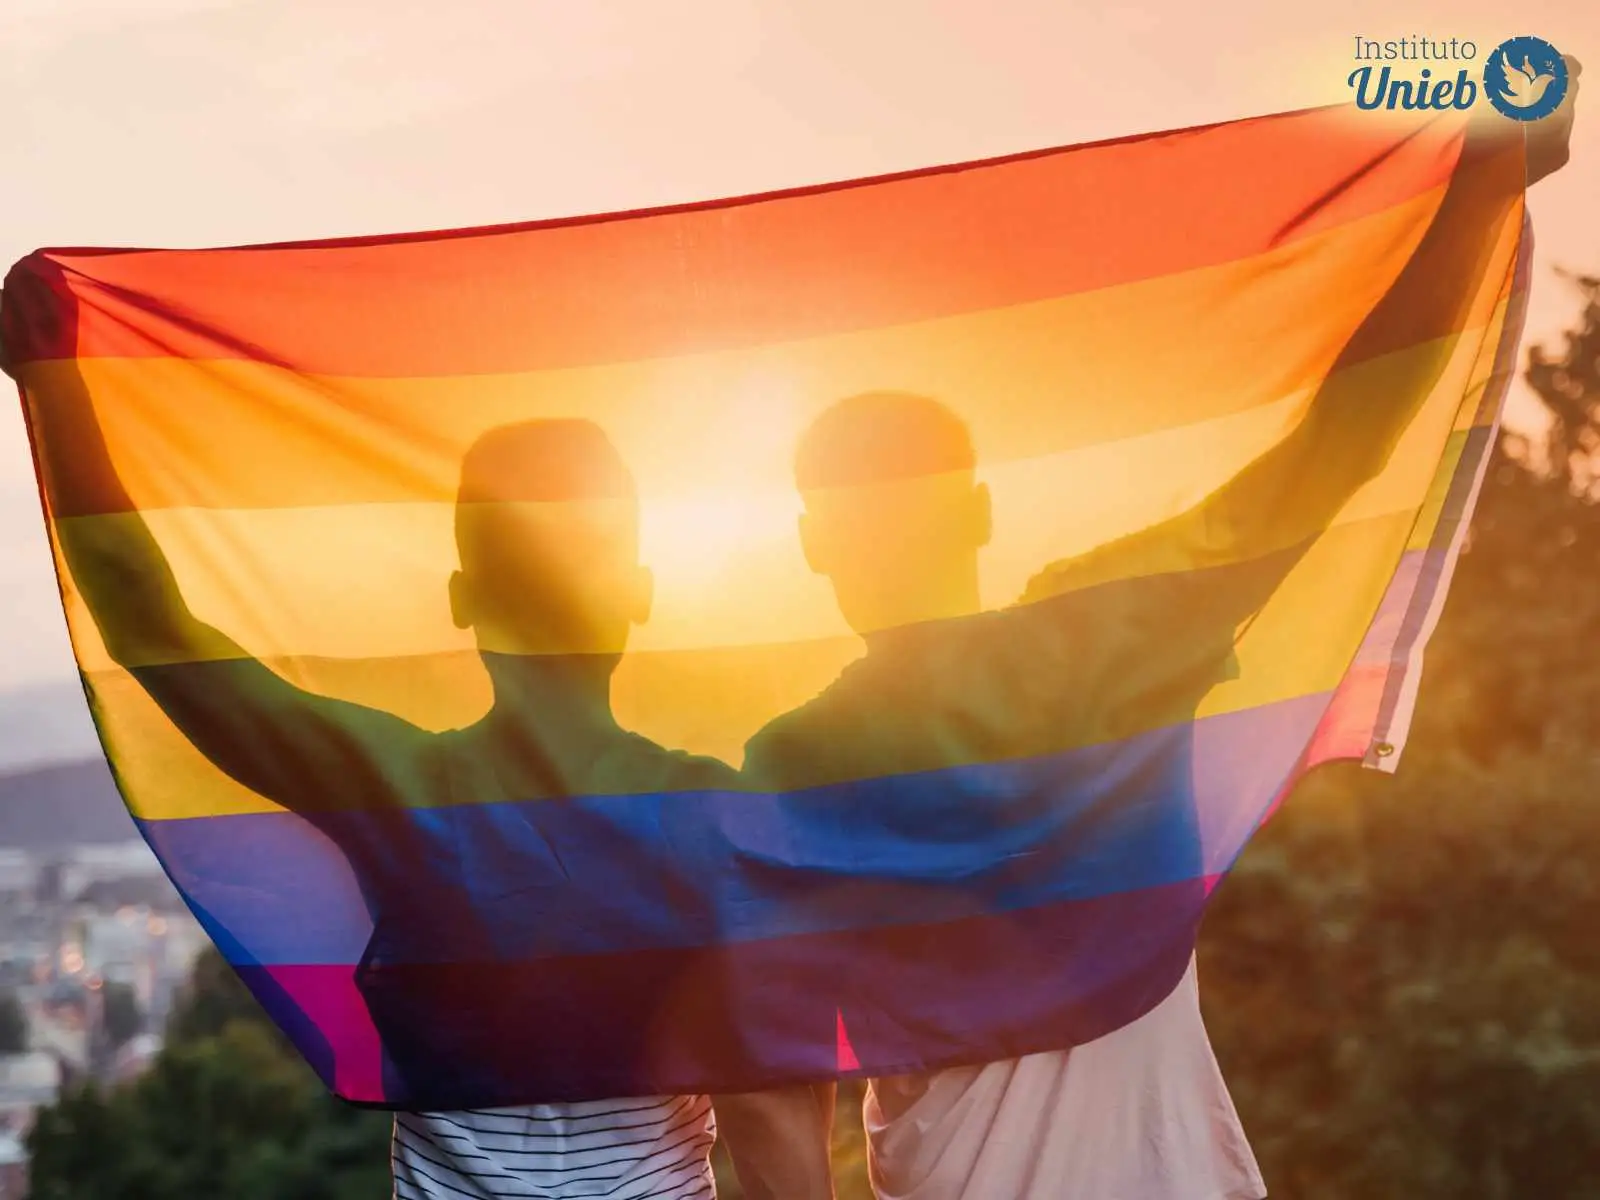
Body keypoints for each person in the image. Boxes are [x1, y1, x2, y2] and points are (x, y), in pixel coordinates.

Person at [738, 77, 1580, 1200]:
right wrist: (1480, 191)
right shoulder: (1111, 629)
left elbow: (780, 1077)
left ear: (810, 543)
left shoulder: (791, 757)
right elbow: (1341, 437)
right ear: (978, 506)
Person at [0, 331, 801, 1200]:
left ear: (462, 597)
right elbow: (772, 1100)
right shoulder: (709, 818)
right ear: (638, 593)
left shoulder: (402, 794)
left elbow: (150, 623)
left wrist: (55, 377)